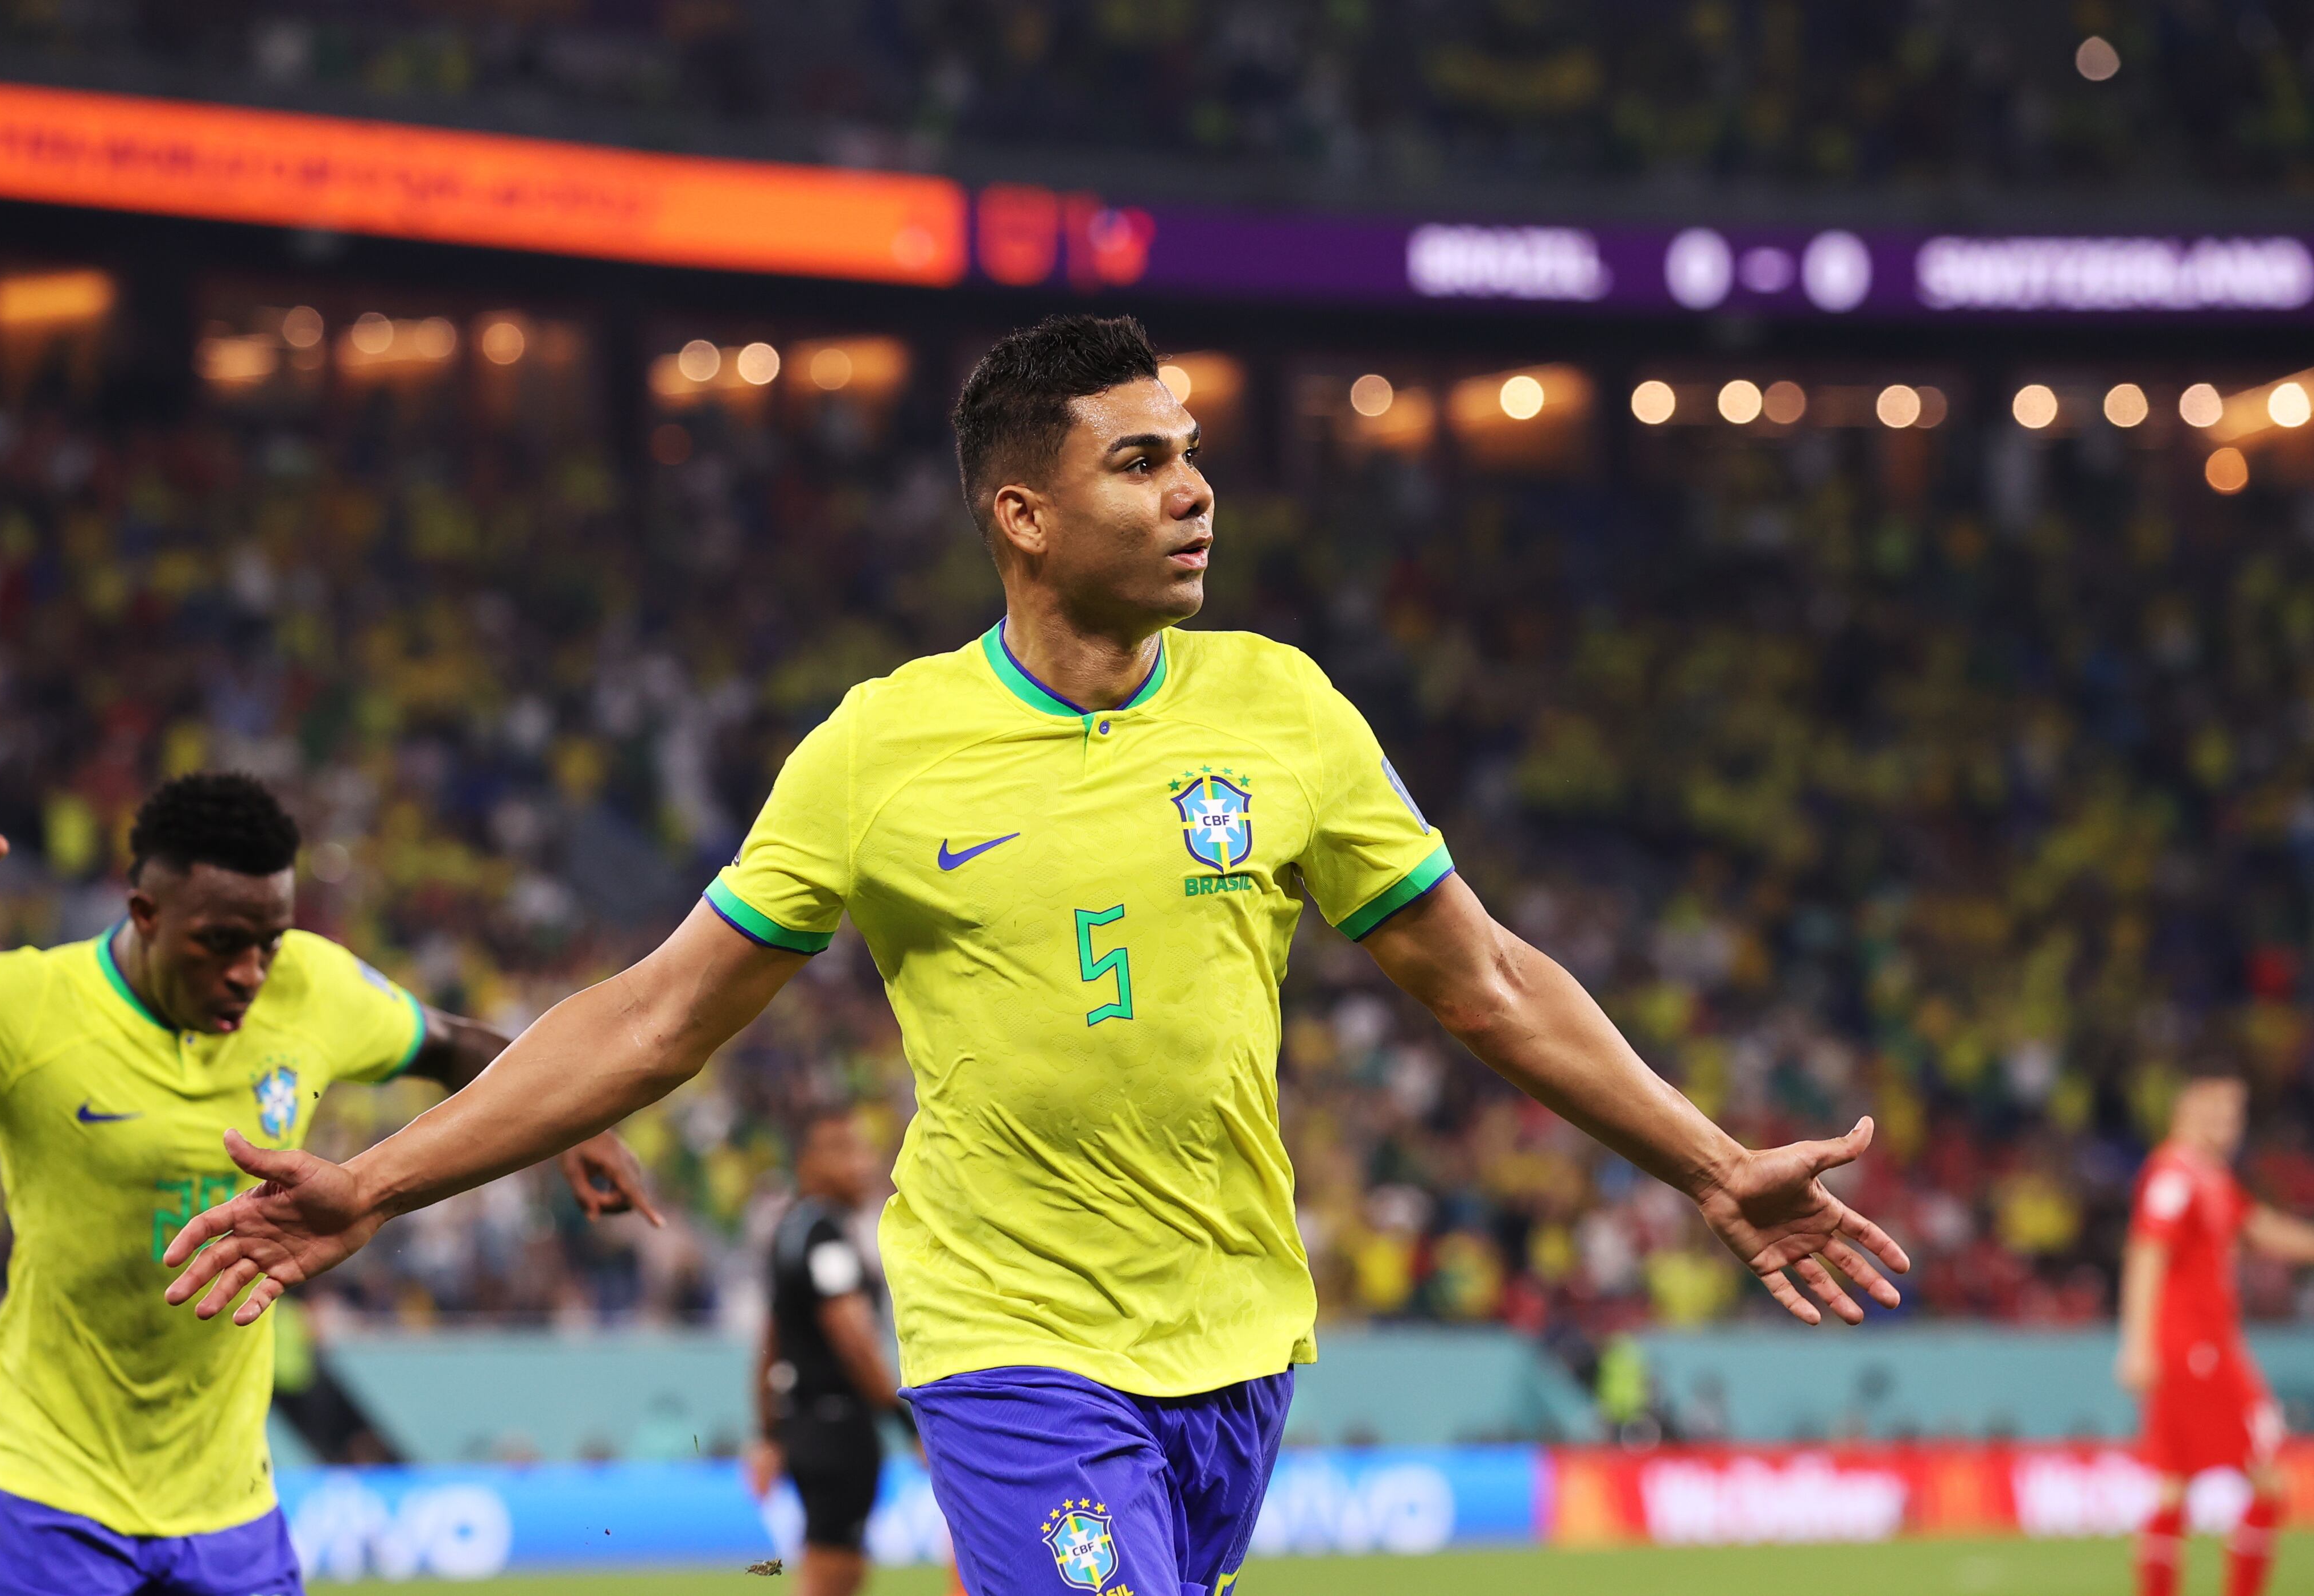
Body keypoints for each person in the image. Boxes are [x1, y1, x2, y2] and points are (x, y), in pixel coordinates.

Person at [162, 314, 1910, 1596]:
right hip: (1011, 1341)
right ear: (1019, 512)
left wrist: (1704, 1159)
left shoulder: (1279, 706)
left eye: (1191, 452)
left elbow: (1486, 980)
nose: (1191, 491)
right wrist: (375, 1183)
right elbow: (654, 1013)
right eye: (1136, 461)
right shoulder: (881, 748)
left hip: (1235, 1339)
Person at [0, 754, 657, 1596]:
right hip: (48, 1480)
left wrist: (572, 1117)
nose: (251, 971)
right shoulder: (21, 1007)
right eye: (221, 943)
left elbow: (455, 1044)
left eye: (268, 940)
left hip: (229, 1494)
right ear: (145, 913)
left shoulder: (313, 982)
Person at [2118, 1058, 2314, 1596]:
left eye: (2237, 1111)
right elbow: (2147, 1251)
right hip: (2197, 1350)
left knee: (2173, 1487)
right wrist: (2136, 1345)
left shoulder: (2210, 1176)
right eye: (2220, 1109)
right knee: (2269, 1480)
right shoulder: (2173, 1176)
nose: (2232, 1122)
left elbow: (2261, 1229)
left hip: (2200, 1347)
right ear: (2187, 1108)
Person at [746, 1106, 913, 1594]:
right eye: (841, 1150)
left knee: (826, 1566)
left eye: (862, 1147)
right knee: (834, 1576)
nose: (860, 1163)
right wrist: (906, 1422)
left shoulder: (791, 1229)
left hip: (805, 1426)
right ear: (806, 1162)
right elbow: (853, 1338)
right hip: (838, 1428)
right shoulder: (824, 1236)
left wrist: (769, 1432)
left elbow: (770, 1340)